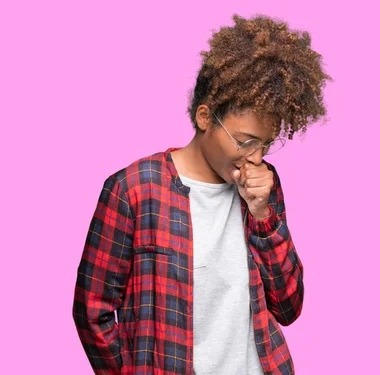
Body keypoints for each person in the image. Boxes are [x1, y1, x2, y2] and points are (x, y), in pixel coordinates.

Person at [72, 14, 331, 375]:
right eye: (244, 142)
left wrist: (262, 218)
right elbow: (92, 311)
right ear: (205, 117)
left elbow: (288, 308)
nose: (256, 157)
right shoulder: (134, 189)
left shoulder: (263, 187)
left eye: (266, 144)